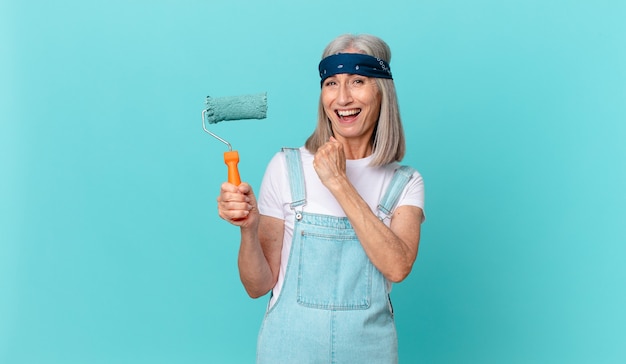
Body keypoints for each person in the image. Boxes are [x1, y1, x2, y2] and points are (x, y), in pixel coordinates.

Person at [217, 33, 425, 363]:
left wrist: (338, 182)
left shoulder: (404, 182)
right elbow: (257, 286)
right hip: (287, 351)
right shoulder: (286, 168)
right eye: (331, 83)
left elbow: (397, 267)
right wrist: (248, 229)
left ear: (382, 90)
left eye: (358, 81)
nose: (342, 98)